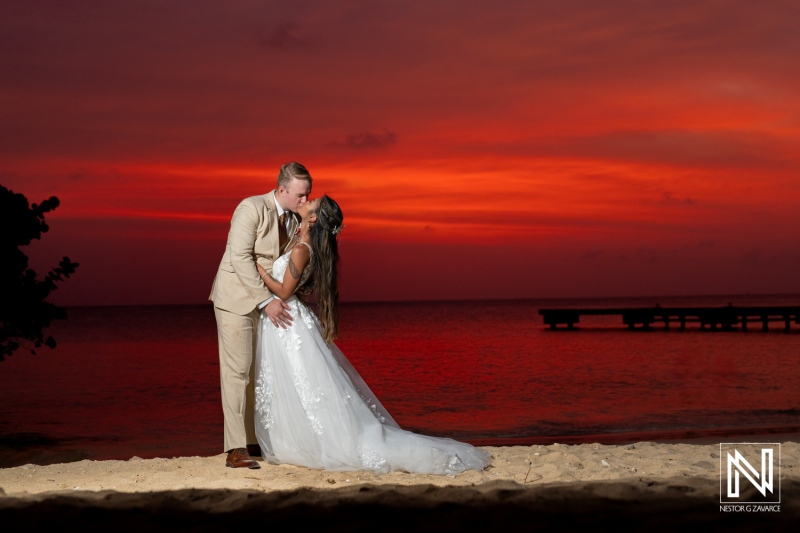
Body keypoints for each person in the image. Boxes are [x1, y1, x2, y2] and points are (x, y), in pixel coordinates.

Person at [253, 195, 491, 474]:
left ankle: (311, 442)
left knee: (302, 382)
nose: (307, 200)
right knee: (296, 384)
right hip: (287, 321)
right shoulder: (301, 242)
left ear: (314, 218)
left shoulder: (303, 249)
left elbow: (283, 291)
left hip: (287, 320)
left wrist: (257, 269)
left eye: (312, 201)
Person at [209, 162, 312, 469]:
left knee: (257, 374)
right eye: (300, 195)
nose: (305, 201)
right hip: (235, 299)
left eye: (308, 195)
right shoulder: (250, 208)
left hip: (265, 301)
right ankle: (235, 449)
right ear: (282, 190)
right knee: (237, 372)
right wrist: (266, 300)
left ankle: (254, 442)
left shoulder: (295, 219)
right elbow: (239, 257)